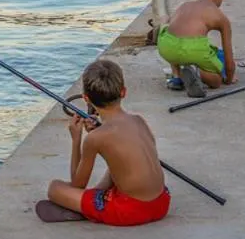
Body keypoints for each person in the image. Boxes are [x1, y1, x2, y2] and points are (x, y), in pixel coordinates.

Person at [46, 58, 170, 226]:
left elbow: (77, 185)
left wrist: (77, 139)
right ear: (123, 92)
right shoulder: (138, 120)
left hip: (131, 211)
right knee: (120, 163)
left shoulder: (95, 138)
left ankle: (91, 208)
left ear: (86, 98)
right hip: (162, 203)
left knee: (55, 188)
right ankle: (96, 199)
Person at [157, 0, 236, 98]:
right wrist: (228, 78)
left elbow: (173, 25)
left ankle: (177, 77)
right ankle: (199, 74)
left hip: (166, 46)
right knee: (216, 80)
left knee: (173, 34)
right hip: (194, 50)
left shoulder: (184, 6)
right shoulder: (221, 18)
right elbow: (229, 59)